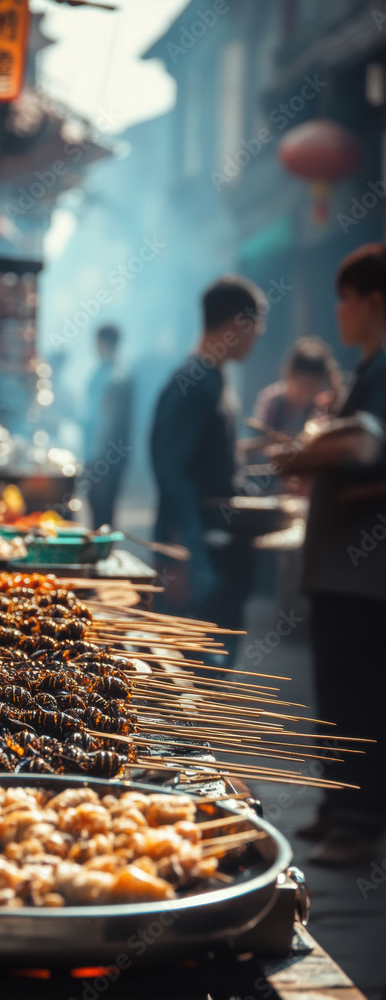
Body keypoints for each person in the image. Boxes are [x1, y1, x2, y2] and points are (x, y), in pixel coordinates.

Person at [273, 244, 386, 866]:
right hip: (342, 566)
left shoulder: (383, 370)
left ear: (373, 301)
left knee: (359, 692)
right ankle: (338, 805)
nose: (340, 311)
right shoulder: (367, 369)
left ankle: (360, 821)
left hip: (364, 568)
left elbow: (370, 451)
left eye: (346, 299)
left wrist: (311, 455)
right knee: (338, 691)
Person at [150, 276, 266, 653]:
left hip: (220, 552)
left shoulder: (214, 381)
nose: (259, 334)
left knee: (214, 665)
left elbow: (212, 468)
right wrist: (183, 558)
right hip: (198, 556)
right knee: (193, 673)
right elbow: (172, 473)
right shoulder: (193, 383)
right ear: (238, 324)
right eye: (256, 324)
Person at [82, 325, 133, 529]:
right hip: (99, 454)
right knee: (98, 511)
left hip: (105, 457)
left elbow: (107, 423)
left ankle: (102, 556)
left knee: (103, 513)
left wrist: (98, 460)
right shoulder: (104, 372)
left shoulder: (115, 377)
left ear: (103, 343)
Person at [254, 337, 344, 436]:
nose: (306, 394)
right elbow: (262, 438)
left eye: (313, 388)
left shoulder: (320, 406)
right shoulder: (272, 403)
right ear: (289, 375)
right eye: (303, 387)